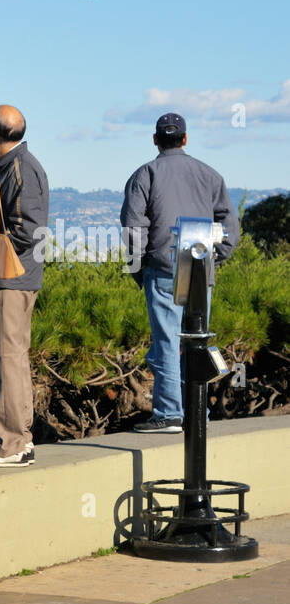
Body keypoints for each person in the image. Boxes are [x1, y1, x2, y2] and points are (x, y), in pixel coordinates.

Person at [121, 112, 238, 433]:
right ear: (185, 139)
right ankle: (198, 412)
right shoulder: (209, 174)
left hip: (162, 268)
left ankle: (170, 414)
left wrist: (139, 268)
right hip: (199, 265)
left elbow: (133, 230)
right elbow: (230, 228)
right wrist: (216, 257)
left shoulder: (145, 174)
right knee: (196, 340)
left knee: (167, 342)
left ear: (156, 140)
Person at [0, 104, 47, 468]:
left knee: (7, 358)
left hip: (12, 278)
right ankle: (13, 439)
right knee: (8, 358)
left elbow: (29, 230)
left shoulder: (20, 168)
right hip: (15, 277)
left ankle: (13, 443)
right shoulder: (16, 166)